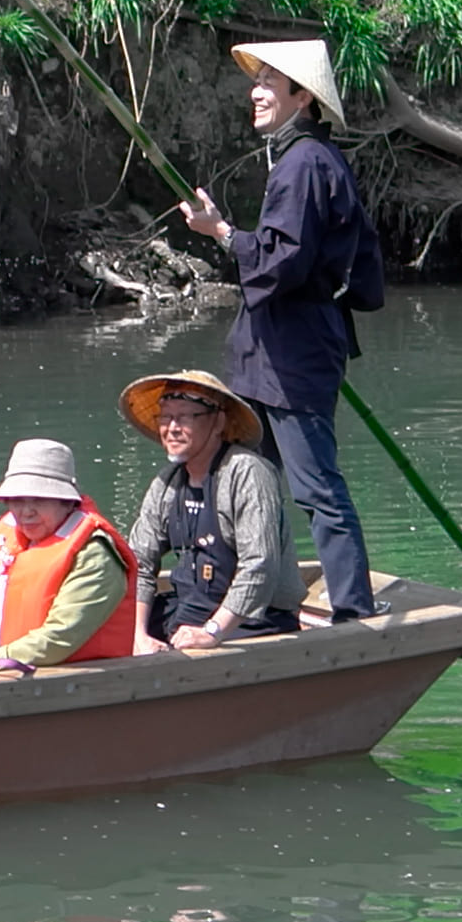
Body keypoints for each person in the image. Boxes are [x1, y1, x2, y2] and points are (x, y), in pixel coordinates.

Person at [167, 36, 384, 625]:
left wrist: (223, 235)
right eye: (257, 79)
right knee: (249, 483)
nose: (255, 91)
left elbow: (281, 260)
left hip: (294, 353)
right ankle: (268, 602)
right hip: (272, 352)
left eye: (269, 81)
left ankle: (354, 610)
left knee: (314, 485)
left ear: (303, 97)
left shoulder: (307, 163)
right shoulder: (299, 160)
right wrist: (230, 236)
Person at [120, 370, 301, 652]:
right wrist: (138, 635)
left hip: (252, 618)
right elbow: (138, 564)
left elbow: (259, 565)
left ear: (218, 422)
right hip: (187, 607)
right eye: (165, 418)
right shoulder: (166, 482)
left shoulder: (247, 473)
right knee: (106, 628)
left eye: (184, 417)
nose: (172, 428)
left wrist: (212, 632)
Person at [0, 437, 138, 677]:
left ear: (66, 501)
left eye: (39, 499)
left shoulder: (94, 555)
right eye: (17, 500)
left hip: (71, 689)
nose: (26, 511)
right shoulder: (10, 539)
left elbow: (60, 636)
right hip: (2, 679)